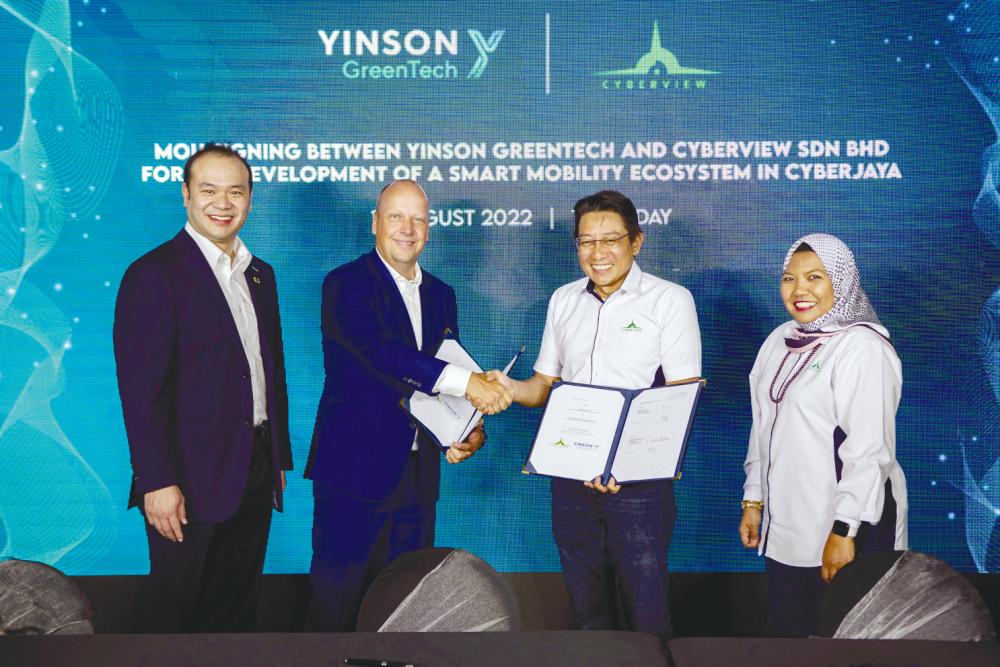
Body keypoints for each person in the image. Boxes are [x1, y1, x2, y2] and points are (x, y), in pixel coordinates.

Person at [487, 190, 701, 641]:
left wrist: (622, 464)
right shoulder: (563, 300)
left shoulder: (669, 300)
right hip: (571, 478)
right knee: (588, 613)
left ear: (636, 241)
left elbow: (679, 397)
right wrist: (508, 388)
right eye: (586, 242)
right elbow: (543, 386)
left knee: (647, 614)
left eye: (611, 240)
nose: (597, 253)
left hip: (638, 484)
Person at [304, 179, 512, 631]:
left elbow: (439, 377)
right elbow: (381, 353)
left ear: (430, 228)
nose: (407, 228)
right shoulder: (345, 284)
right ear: (375, 222)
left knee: (405, 611)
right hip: (353, 477)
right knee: (336, 607)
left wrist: (466, 431)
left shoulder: (442, 294)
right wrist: (468, 383)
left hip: (418, 483)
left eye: (418, 218)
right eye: (396, 216)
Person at [113, 143, 293, 632]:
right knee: (177, 616)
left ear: (250, 200)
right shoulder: (154, 274)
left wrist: (275, 456)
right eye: (209, 190)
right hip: (185, 480)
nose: (223, 203)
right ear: (186, 196)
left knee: (235, 611)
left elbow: (267, 372)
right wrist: (155, 480)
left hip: (254, 470)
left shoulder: (260, 275)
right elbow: (140, 391)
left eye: (236, 191)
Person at [739, 233, 908, 637]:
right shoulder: (778, 341)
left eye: (815, 277)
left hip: (847, 528)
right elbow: (762, 425)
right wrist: (754, 498)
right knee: (792, 639)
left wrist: (844, 531)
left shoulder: (862, 348)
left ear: (842, 280)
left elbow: (870, 451)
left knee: (846, 644)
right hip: (787, 527)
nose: (799, 290)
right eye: (789, 278)